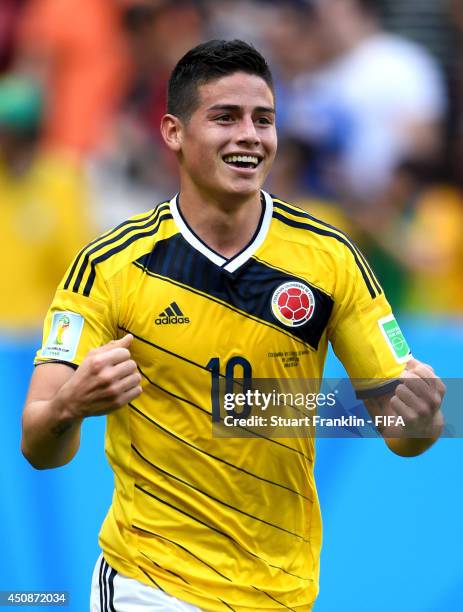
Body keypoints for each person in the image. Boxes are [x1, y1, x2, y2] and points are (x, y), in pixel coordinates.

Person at [21, 40, 445, 612]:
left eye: (263, 120)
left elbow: (403, 433)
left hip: (283, 590)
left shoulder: (331, 259)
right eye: (225, 117)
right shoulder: (108, 266)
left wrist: (423, 416)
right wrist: (72, 403)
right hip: (150, 582)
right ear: (173, 132)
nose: (249, 135)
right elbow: (37, 443)